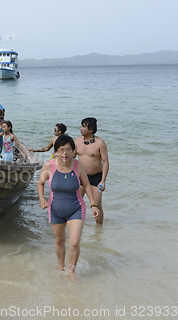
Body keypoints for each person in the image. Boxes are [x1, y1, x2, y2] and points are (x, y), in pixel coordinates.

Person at [37, 134, 99, 283]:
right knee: (59, 241)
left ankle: (71, 271)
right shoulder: (49, 165)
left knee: (74, 242)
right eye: (61, 149)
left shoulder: (78, 166)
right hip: (55, 210)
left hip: (76, 209)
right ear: (56, 151)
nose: (65, 153)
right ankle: (60, 266)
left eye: (68, 150)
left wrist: (93, 204)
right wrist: (42, 199)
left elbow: (87, 185)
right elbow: (40, 183)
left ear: (73, 151)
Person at [73, 117, 109, 224]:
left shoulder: (100, 143)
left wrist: (103, 180)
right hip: (81, 176)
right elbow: (72, 158)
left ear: (91, 129)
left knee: (97, 204)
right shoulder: (78, 141)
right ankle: (77, 225)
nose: (81, 129)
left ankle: (99, 230)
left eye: (84, 126)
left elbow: (105, 162)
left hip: (96, 178)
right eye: (81, 126)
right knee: (77, 203)